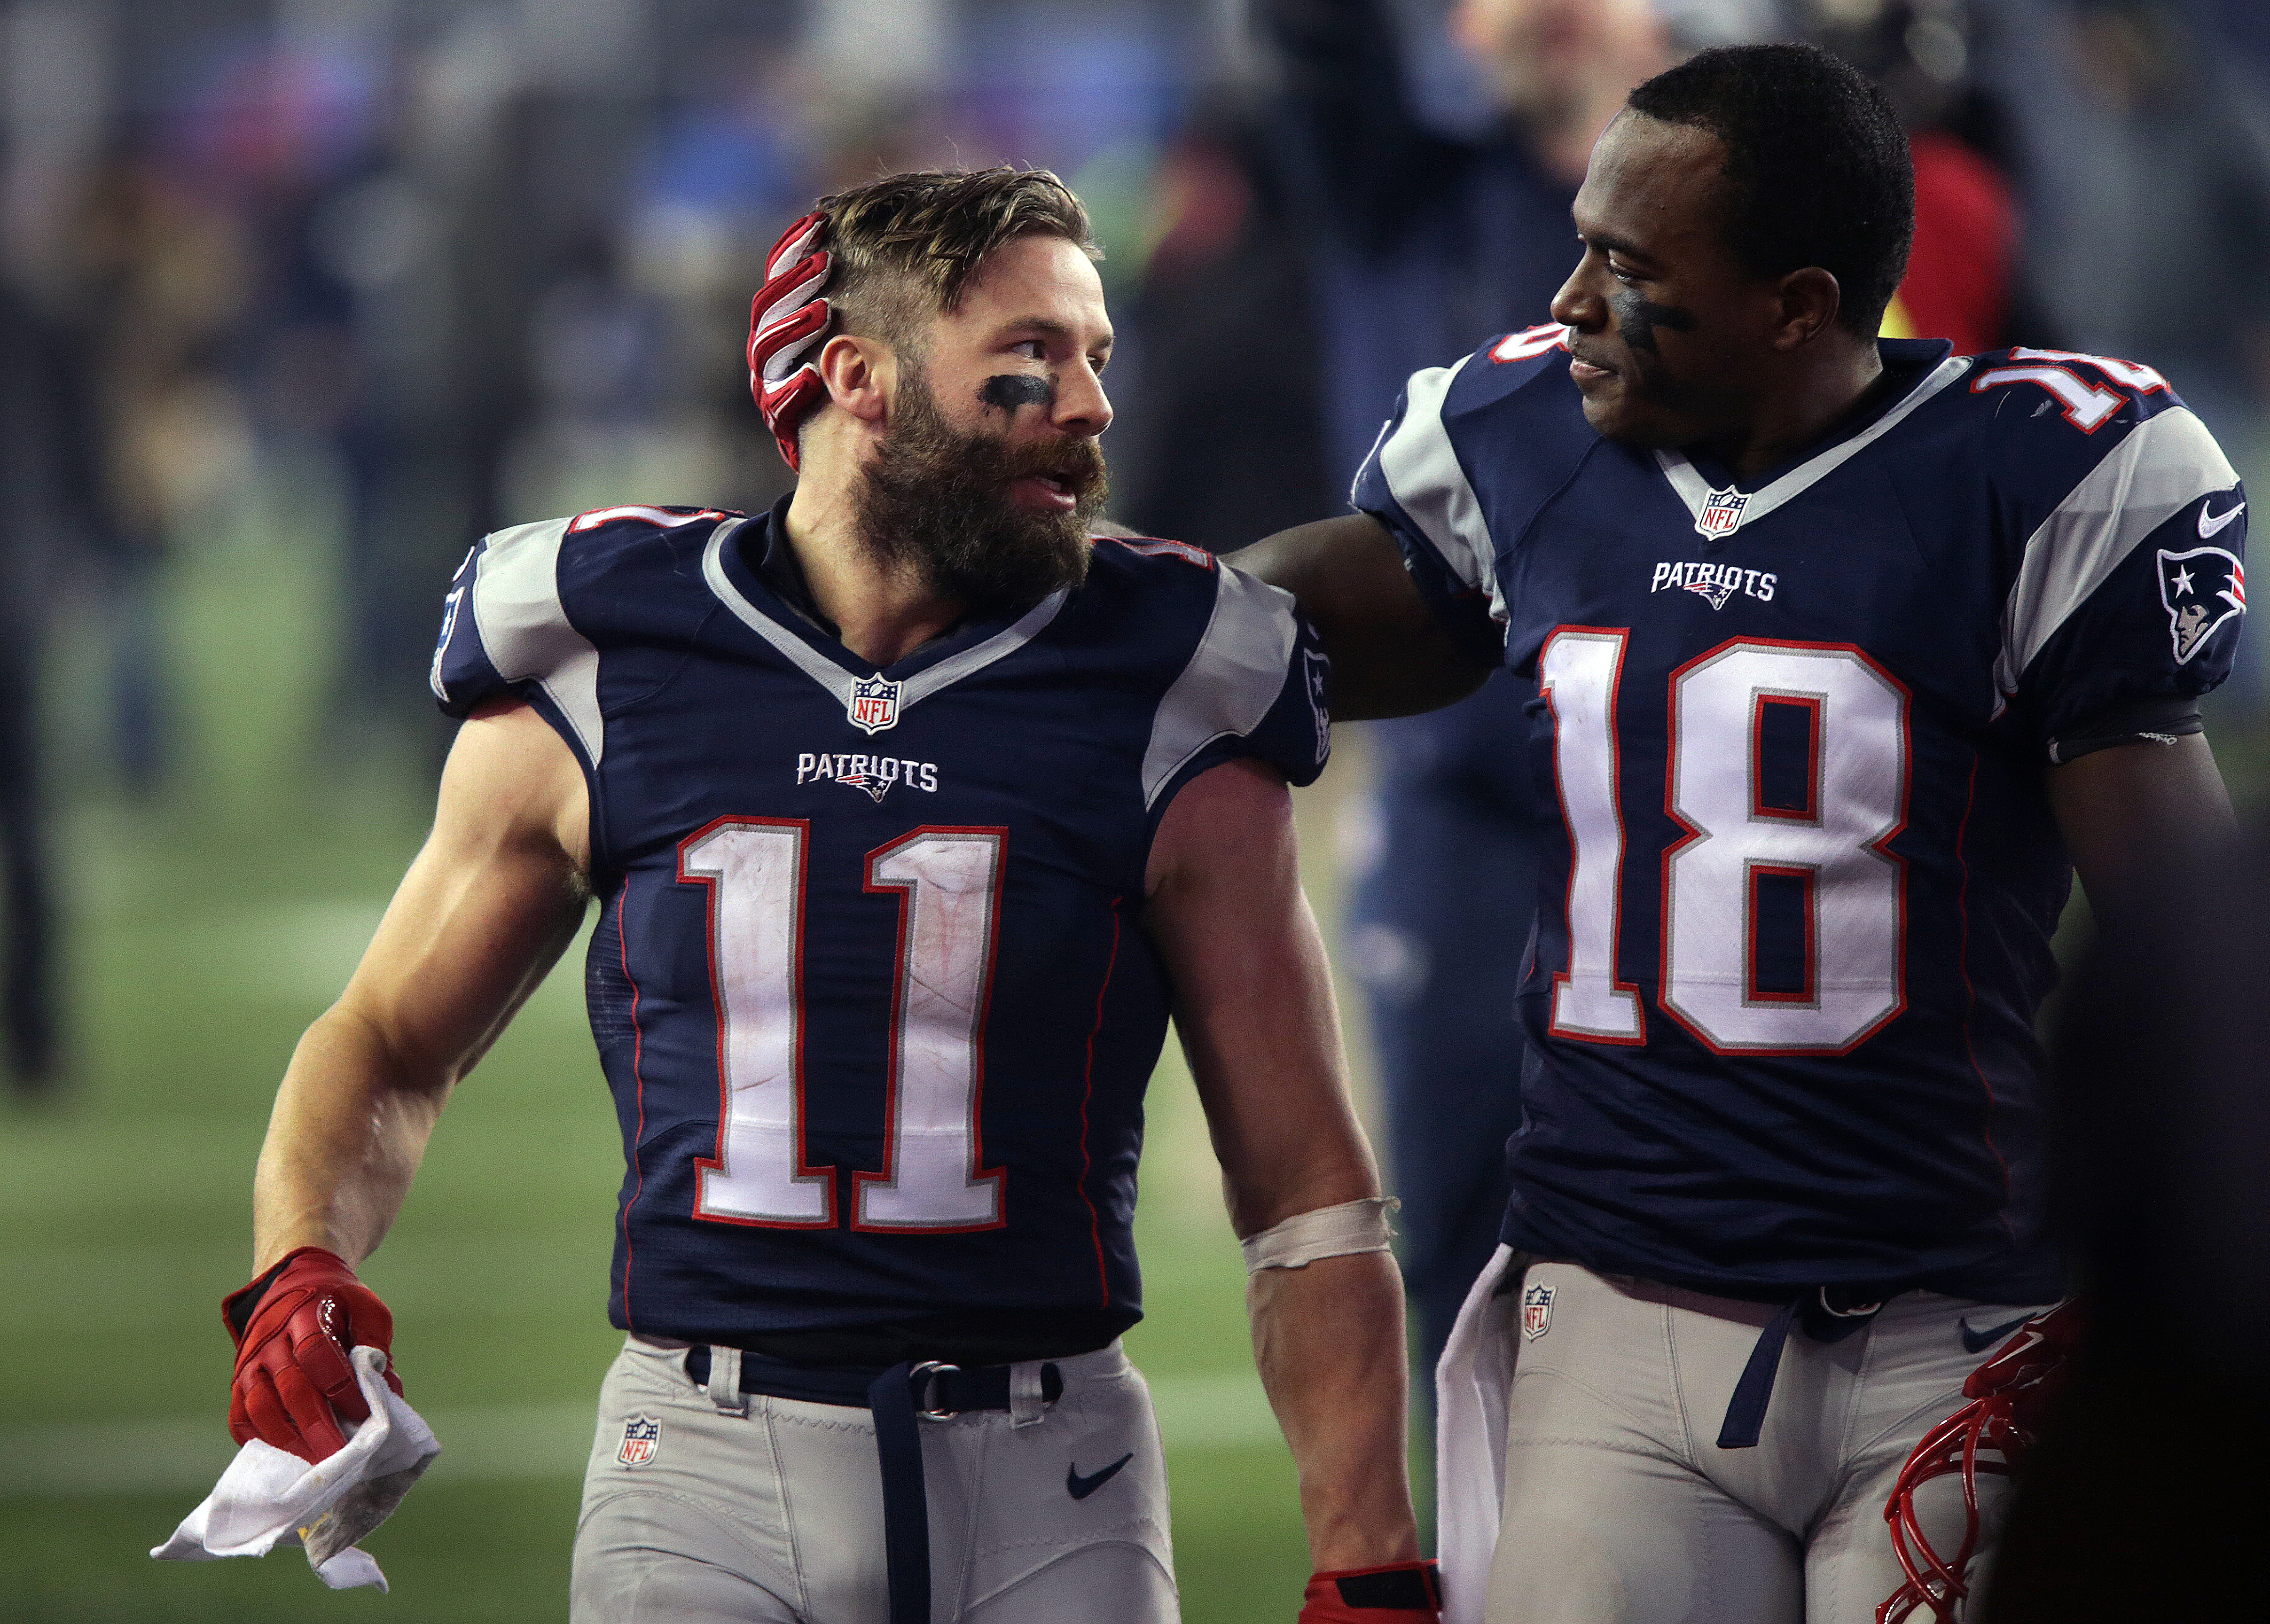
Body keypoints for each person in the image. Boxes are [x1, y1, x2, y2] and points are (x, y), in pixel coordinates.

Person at [216, 169, 1439, 1624]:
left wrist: (1367, 1554)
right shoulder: (608, 657)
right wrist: (300, 1266)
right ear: (854, 378)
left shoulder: (1169, 681)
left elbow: (1306, 1191)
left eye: (1098, 357)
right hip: (701, 1461)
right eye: (1028, 359)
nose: (1091, 404)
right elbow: (389, 1045)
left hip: (1058, 1473)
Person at [1232, 43, 2246, 1624]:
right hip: (1621, 1320)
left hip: (1951, 1332)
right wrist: (1056, 599)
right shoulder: (1532, 440)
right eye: (1583, 241)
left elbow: (2183, 937)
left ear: (1798, 304)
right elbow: (1252, 632)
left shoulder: (2038, 475)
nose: (1568, 296)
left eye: (1627, 266)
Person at [1255, 0, 1677, 1386]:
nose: (1552, 16)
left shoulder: (1730, 208)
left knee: (1723, 1239)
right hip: (1467, 792)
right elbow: (1315, 46)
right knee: (1452, 1225)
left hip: (1693, 805)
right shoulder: (1403, 183)